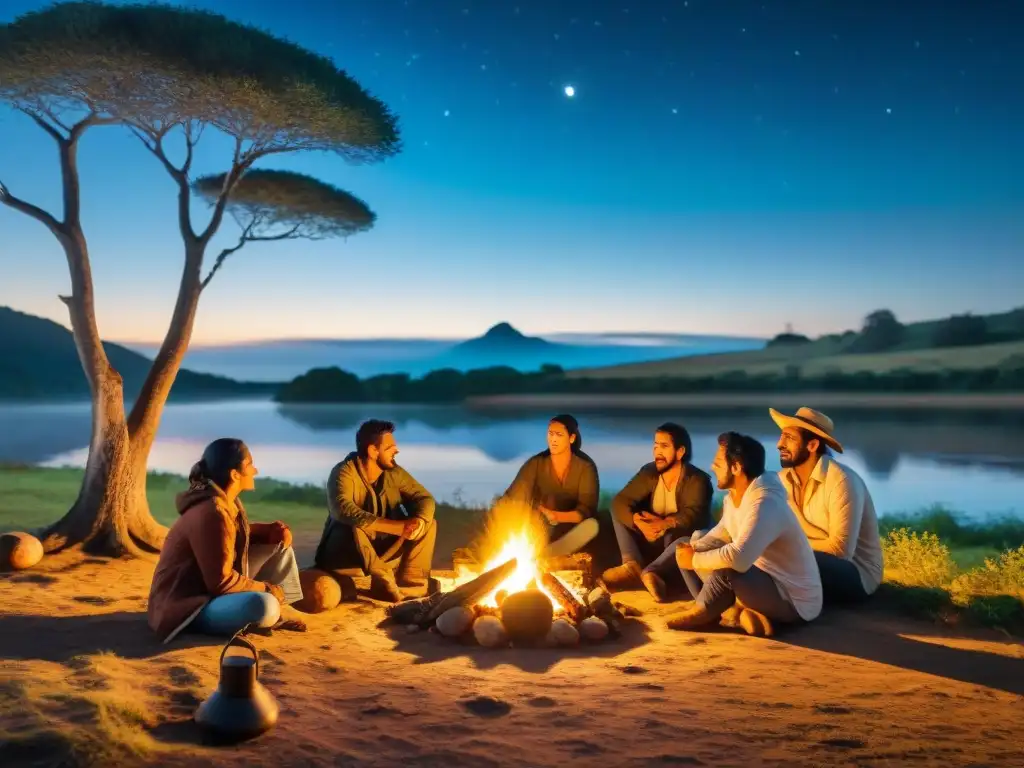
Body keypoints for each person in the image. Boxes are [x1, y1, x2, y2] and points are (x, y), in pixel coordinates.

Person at [148, 438, 305, 643]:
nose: (255, 470)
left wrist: (268, 531)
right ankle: (273, 609)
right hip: (189, 607)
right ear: (234, 474)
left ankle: (284, 608)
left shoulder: (226, 502)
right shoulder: (212, 511)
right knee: (263, 605)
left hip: (210, 593)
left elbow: (227, 537)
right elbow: (220, 582)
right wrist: (266, 588)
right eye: (249, 465)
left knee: (281, 548)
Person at [667, 432, 822, 636]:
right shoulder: (735, 497)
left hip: (791, 601)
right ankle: (736, 611)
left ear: (737, 467)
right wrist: (694, 549)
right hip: (760, 580)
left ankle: (707, 611)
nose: (712, 467)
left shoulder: (765, 503)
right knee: (694, 542)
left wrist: (695, 560)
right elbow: (721, 534)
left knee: (729, 565)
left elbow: (738, 559)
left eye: (718, 463)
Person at [314, 419, 437, 603]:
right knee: (355, 525)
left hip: (382, 549)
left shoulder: (394, 473)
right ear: (373, 451)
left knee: (429, 523)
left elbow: (424, 498)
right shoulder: (343, 472)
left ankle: (412, 584)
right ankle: (383, 582)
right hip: (345, 553)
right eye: (390, 447)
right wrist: (396, 527)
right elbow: (342, 509)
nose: (397, 451)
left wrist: (419, 520)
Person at [771, 407, 884, 604]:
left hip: (853, 573)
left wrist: (786, 545)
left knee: (785, 560)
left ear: (812, 445)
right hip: (804, 562)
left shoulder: (842, 480)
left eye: (789, 438)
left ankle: (776, 610)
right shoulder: (781, 481)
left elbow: (840, 550)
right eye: (782, 437)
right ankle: (752, 609)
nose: (779, 444)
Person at [602, 422, 714, 601]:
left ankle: (657, 575)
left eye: (664, 446)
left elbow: (694, 515)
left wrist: (664, 523)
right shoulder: (650, 472)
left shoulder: (697, 480)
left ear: (680, 452)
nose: (657, 452)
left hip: (677, 546)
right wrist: (638, 522)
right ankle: (632, 566)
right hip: (650, 538)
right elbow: (620, 501)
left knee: (678, 535)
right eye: (655, 446)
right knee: (620, 512)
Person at [501, 414, 600, 558]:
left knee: (592, 526)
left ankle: (548, 554)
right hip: (538, 526)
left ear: (571, 438)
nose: (553, 439)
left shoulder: (585, 466)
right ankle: (537, 554)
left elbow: (586, 510)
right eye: (550, 433)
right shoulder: (536, 463)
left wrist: (556, 516)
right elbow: (514, 497)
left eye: (559, 435)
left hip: (572, 527)